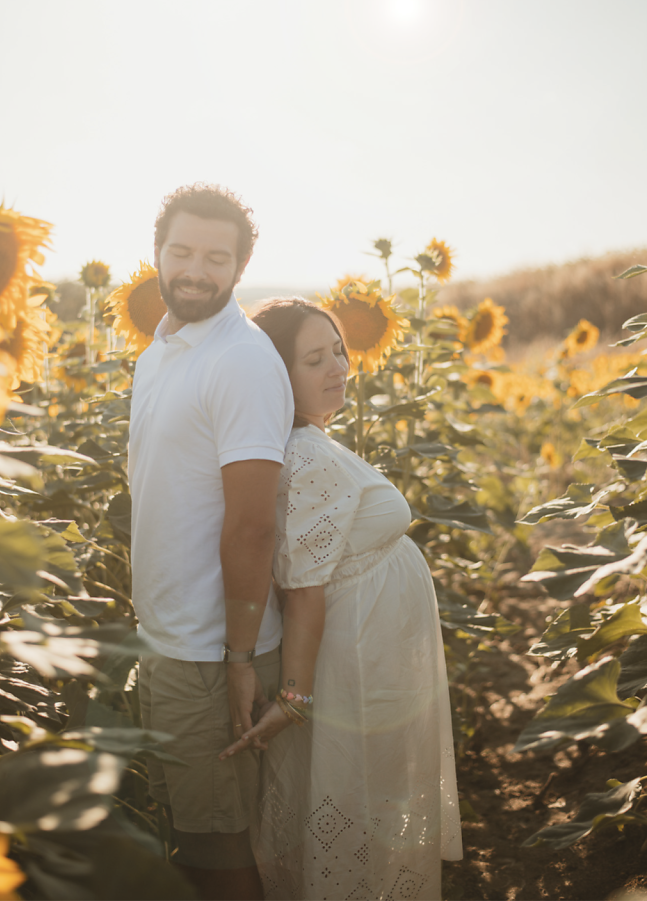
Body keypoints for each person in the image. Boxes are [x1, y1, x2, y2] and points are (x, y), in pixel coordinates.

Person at [220, 297, 462, 901]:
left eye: (339, 351)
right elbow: (303, 587)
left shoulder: (304, 442)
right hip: (352, 663)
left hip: (366, 651)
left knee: (358, 804)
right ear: (278, 376)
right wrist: (295, 698)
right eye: (313, 359)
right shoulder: (303, 456)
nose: (337, 368)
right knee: (360, 803)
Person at [128, 184, 294, 901]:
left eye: (215, 257)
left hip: (210, 650)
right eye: (183, 251)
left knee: (221, 846)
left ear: (239, 268)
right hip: (167, 641)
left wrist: (237, 658)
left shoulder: (241, 360)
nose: (196, 270)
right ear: (158, 253)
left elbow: (253, 524)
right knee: (191, 833)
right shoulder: (160, 351)